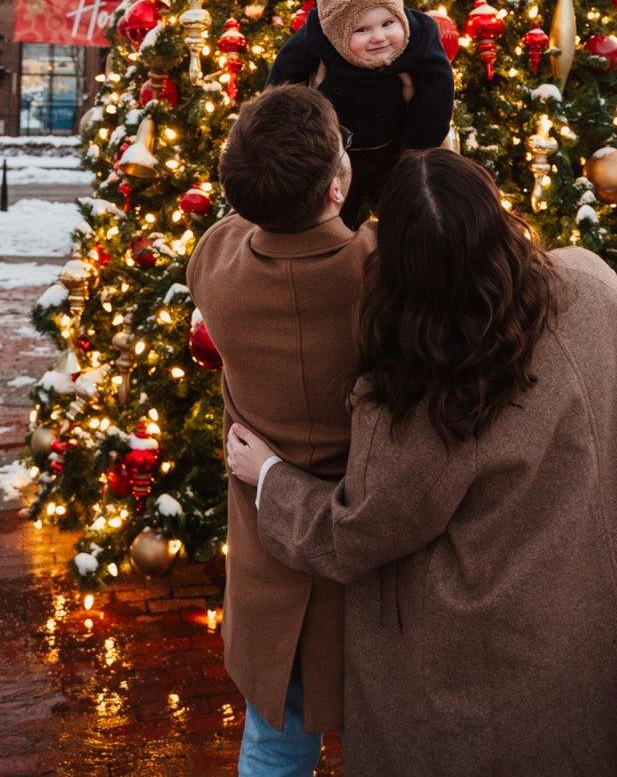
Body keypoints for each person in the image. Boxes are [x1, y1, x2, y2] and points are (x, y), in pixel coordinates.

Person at [227, 149, 617, 777]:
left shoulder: (422, 387)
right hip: (600, 624)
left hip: (490, 659)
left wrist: (269, 477)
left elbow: (355, 533)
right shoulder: (596, 289)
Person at [186, 85, 375, 777]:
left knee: (273, 745)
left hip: (271, 563)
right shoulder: (377, 274)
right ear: (335, 189)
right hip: (368, 570)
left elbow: (240, 224)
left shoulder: (217, 261)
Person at [267, 0, 454, 226]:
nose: (378, 37)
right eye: (361, 30)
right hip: (339, 155)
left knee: (407, 214)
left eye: (388, 23)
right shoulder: (317, 37)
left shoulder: (421, 35)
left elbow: (437, 96)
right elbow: (282, 83)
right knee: (339, 219)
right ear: (336, 33)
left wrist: (415, 153)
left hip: (397, 147)